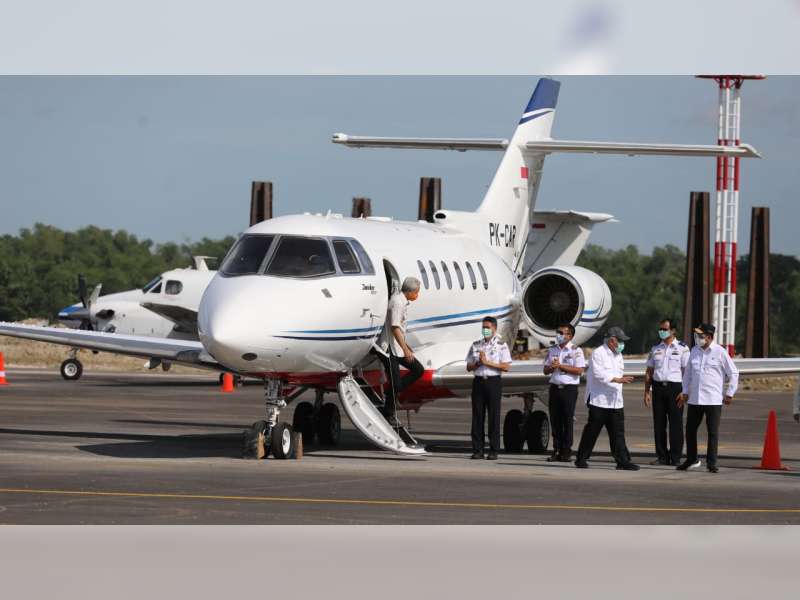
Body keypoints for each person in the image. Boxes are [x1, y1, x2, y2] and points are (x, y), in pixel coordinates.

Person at [676, 323, 739, 473]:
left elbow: (733, 373)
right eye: (696, 335)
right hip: (695, 399)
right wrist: (685, 391)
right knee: (690, 431)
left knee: (712, 432)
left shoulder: (720, 352)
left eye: (700, 335)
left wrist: (730, 393)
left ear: (709, 337)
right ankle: (691, 459)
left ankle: (711, 463)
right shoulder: (694, 351)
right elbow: (687, 374)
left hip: (713, 400)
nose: (697, 338)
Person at [575, 326, 639, 470]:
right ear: (612, 340)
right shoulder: (598, 353)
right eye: (620, 341)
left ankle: (623, 461)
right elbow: (599, 374)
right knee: (592, 431)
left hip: (615, 401)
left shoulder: (618, 355)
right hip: (599, 400)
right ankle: (581, 459)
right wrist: (618, 380)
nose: (622, 344)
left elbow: (618, 374)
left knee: (618, 433)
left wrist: (619, 381)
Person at [376, 277, 425, 425]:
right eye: (417, 292)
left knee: (418, 369)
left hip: (397, 347)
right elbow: (395, 327)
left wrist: (406, 346)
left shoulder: (402, 301)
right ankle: (388, 412)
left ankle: (390, 393)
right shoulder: (397, 302)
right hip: (389, 349)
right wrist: (405, 349)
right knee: (396, 384)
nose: (417, 295)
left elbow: (399, 329)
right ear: (410, 291)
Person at [644, 318, 690, 465]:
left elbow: (687, 372)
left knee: (676, 424)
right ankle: (662, 457)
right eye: (661, 329)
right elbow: (649, 371)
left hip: (675, 388)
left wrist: (685, 391)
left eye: (665, 329)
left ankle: (676, 457)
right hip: (658, 388)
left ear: (673, 330)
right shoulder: (655, 348)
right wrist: (647, 391)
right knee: (659, 424)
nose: (661, 331)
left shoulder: (682, 348)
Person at [466, 316, 512, 460]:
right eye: (483, 327)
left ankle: (493, 449)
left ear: (494, 328)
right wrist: (478, 363)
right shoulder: (476, 345)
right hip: (479, 382)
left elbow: (506, 367)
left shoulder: (501, 345)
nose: (485, 330)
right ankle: (477, 449)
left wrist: (487, 363)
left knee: (493, 416)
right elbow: (468, 366)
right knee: (477, 416)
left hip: (493, 382)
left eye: (487, 327)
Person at [543, 323, 586, 462]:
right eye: (558, 332)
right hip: (555, 388)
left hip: (569, 389)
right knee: (555, 420)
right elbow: (545, 370)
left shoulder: (576, 350)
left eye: (562, 333)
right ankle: (556, 450)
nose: (559, 335)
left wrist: (561, 366)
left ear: (570, 336)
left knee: (567, 420)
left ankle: (566, 451)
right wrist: (552, 367)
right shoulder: (552, 350)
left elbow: (579, 370)